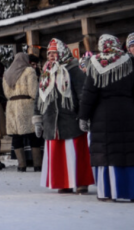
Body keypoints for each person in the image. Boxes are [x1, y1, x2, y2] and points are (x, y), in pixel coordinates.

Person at [79, 35, 134, 202]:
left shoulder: (96, 63)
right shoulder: (128, 61)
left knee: (106, 153)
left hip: (102, 114)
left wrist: (83, 116)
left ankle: (107, 192)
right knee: (129, 152)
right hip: (128, 112)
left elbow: (89, 94)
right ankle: (130, 191)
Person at [33, 38, 93, 194]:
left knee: (77, 154)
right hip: (52, 122)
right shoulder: (46, 72)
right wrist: (38, 120)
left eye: (54, 53)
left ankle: (81, 183)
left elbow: (82, 95)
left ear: (62, 52)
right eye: (49, 53)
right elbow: (38, 98)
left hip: (71, 121)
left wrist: (83, 117)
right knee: (58, 156)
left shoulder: (74, 69)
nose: (51, 56)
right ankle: (63, 183)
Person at [3, 52, 41, 172]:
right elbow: (33, 91)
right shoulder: (29, 71)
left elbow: (6, 93)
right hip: (26, 106)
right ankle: (37, 164)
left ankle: (21, 165)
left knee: (16, 136)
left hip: (11, 107)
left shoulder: (7, 73)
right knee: (33, 134)